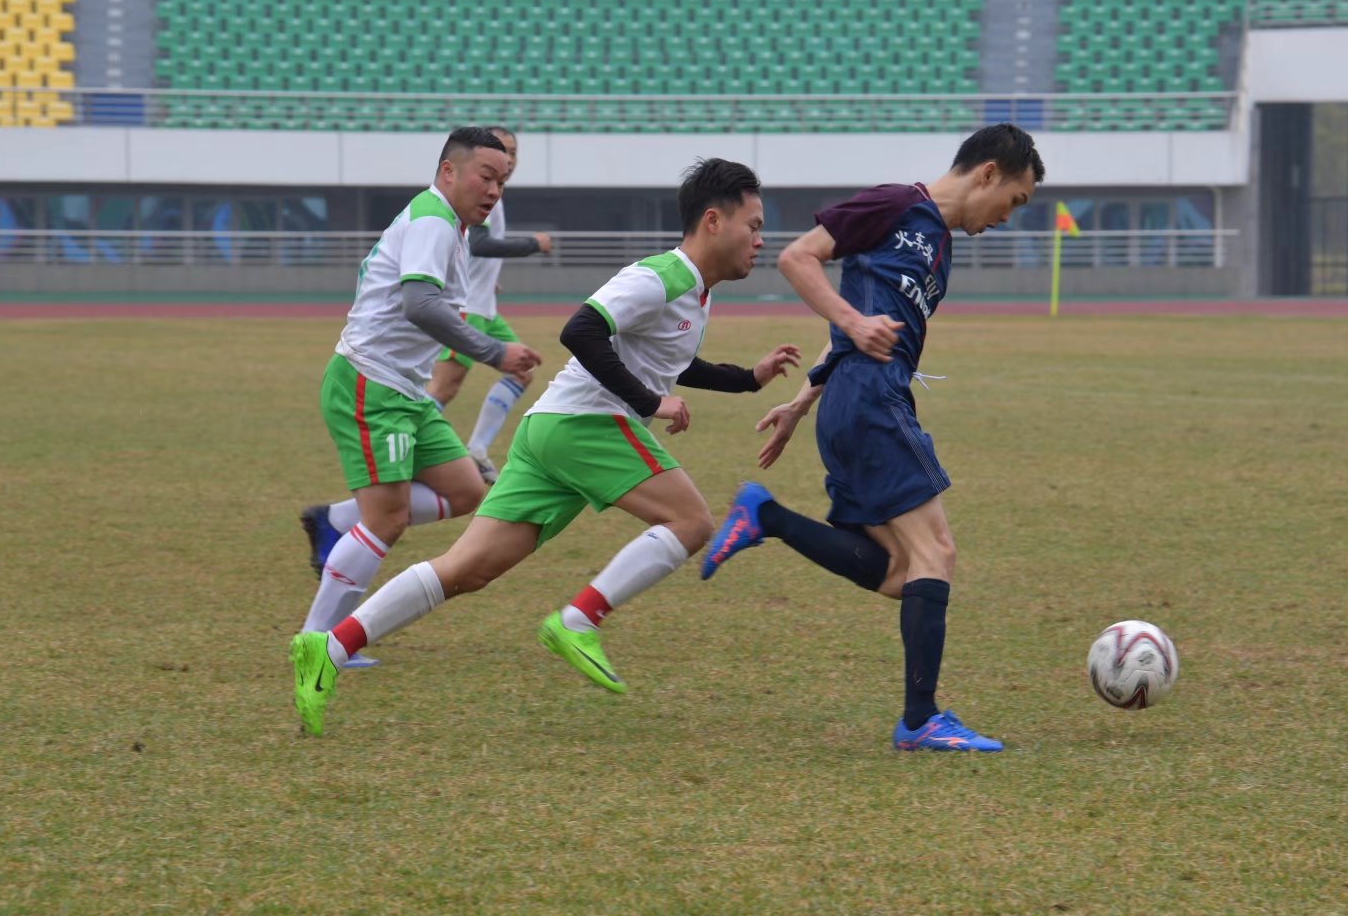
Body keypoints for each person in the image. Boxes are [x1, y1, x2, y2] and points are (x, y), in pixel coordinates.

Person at [289, 158, 802, 735]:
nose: (760, 240)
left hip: (551, 431)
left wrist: (748, 378)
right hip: (584, 425)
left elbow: (670, 360)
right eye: (754, 226)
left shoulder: (695, 292)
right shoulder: (663, 276)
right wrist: (648, 401)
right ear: (713, 221)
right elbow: (581, 330)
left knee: (466, 570)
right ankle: (579, 620)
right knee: (691, 521)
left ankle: (329, 647)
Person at [699, 123, 1045, 752]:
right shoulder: (896, 203)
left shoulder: (940, 247)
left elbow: (856, 328)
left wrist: (802, 401)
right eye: (1014, 201)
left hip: (853, 400)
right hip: (871, 399)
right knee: (936, 551)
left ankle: (766, 516)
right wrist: (853, 324)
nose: (1006, 217)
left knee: (899, 572)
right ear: (989, 173)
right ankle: (920, 721)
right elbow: (798, 257)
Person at [294, 127, 543, 668]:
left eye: (502, 181)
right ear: (448, 171)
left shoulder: (449, 224)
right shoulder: (434, 219)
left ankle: (337, 523)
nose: (494, 190)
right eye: (486, 176)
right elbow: (420, 304)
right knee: (387, 519)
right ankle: (318, 643)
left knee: (466, 490)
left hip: (404, 389)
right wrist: (494, 352)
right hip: (371, 383)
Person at [425, 124, 555, 484]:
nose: (509, 159)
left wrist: (485, 277)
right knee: (443, 388)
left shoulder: (493, 194)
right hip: (467, 308)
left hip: (484, 306)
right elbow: (479, 244)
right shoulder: (479, 194)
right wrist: (533, 244)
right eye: (502, 150)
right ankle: (405, 449)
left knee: (522, 371)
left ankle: (477, 449)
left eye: (513, 152)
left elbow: (470, 249)